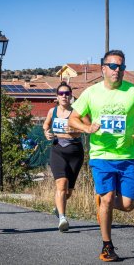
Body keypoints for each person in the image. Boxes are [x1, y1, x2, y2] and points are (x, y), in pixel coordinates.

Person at [69, 50, 134, 261]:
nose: (118, 70)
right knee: (108, 199)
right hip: (101, 155)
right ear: (104, 68)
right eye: (114, 66)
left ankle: (103, 200)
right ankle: (107, 246)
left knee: (127, 205)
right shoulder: (91, 93)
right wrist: (87, 128)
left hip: (127, 156)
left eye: (122, 67)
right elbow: (73, 118)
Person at [43, 81, 87, 232]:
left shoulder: (76, 112)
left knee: (68, 192)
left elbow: (83, 131)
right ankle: (62, 218)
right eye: (61, 94)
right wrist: (47, 133)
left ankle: (58, 206)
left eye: (66, 94)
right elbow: (46, 125)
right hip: (58, 150)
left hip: (75, 151)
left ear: (71, 96)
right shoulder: (52, 111)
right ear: (57, 96)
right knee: (61, 184)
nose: (64, 96)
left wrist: (73, 130)